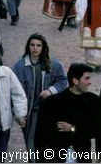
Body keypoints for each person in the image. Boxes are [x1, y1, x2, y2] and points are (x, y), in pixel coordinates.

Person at [12, 33, 68, 162]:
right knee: (30, 140)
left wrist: (51, 90)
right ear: (28, 46)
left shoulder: (53, 64)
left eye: (38, 45)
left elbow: (63, 81)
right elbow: (12, 91)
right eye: (32, 45)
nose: (35, 48)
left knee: (48, 140)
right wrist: (18, 114)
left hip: (48, 111)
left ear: (43, 47)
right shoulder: (19, 66)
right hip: (29, 112)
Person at [35, 63, 101, 163]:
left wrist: (73, 128)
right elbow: (41, 136)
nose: (90, 82)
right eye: (86, 78)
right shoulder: (52, 103)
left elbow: (97, 130)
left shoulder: (93, 101)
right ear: (75, 81)